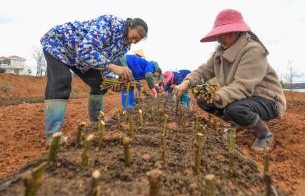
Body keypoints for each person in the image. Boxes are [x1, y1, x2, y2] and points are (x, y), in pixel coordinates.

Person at [173, 9, 286, 150]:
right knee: (204, 101)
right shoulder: (221, 52)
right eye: (217, 35)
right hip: (243, 97)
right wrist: (186, 83)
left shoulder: (253, 50)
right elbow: (204, 70)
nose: (218, 39)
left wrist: (219, 96)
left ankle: (264, 135)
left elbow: (242, 85)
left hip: (267, 99)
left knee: (235, 109)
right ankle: (238, 122)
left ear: (235, 31)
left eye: (222, 34)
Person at [41, 14, 148, 144]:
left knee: (99, 84)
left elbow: (107, 63)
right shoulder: (109, 24)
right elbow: (85, 50)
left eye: (138, 40)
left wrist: (110, 82)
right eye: (135, 36)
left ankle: (95, 121)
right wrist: (115, 68)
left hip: (80, 59)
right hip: (60, 45)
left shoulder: (125, 46)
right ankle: (53, 135)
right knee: (62, 80)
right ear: (130, 25)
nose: (134, 41)